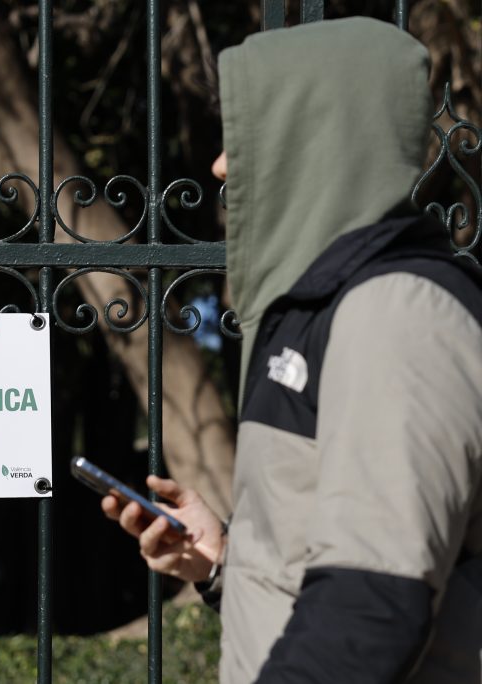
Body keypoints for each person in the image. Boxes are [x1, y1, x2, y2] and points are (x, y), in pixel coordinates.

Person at [102, 16, 482, 684]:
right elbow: (334, 566)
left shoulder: (396, 312)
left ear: (317, 140)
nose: (220, 165)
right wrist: (225, 561)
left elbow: (370, 609)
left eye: (246, 136)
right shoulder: (327, 305)